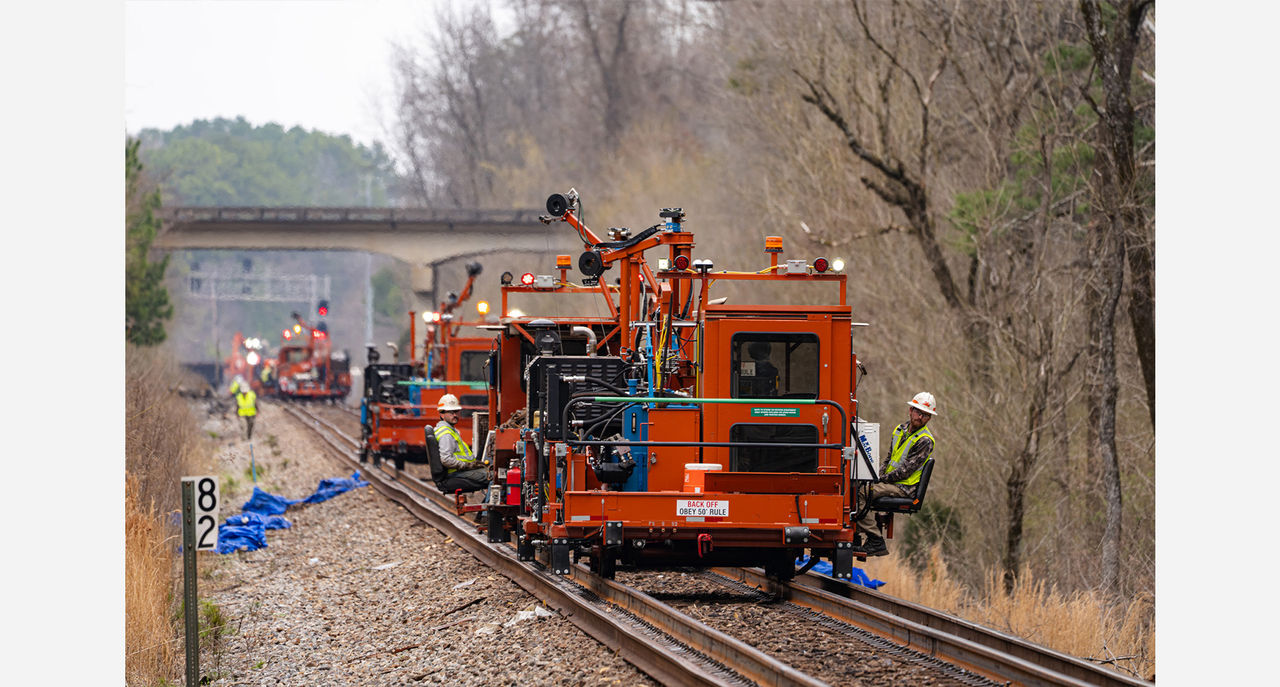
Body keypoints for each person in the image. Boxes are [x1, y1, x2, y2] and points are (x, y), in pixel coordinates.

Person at [853, 391, 938, 557]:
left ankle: (875, 540)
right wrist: (873, 476)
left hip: (904, 487)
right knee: (856, 486)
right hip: (891, 482)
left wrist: (879, 479)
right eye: (918, 412)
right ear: (910, 410)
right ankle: (855, 535)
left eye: (926, 415)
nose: (920, 417)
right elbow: (889, 459)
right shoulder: (900, 429)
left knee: (861, 494)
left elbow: (905, 471)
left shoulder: (925, 440)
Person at [433, 394, 488, 494]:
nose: (455, 415)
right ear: (441, 414)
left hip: (459, 471)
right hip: (455, 473)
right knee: (492, 476)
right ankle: (488, 508)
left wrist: (473, 464)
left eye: (456, 411)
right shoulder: (446, 434)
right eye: (450, 412)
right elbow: (446, 459)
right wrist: (466, 465)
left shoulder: (450, 431)